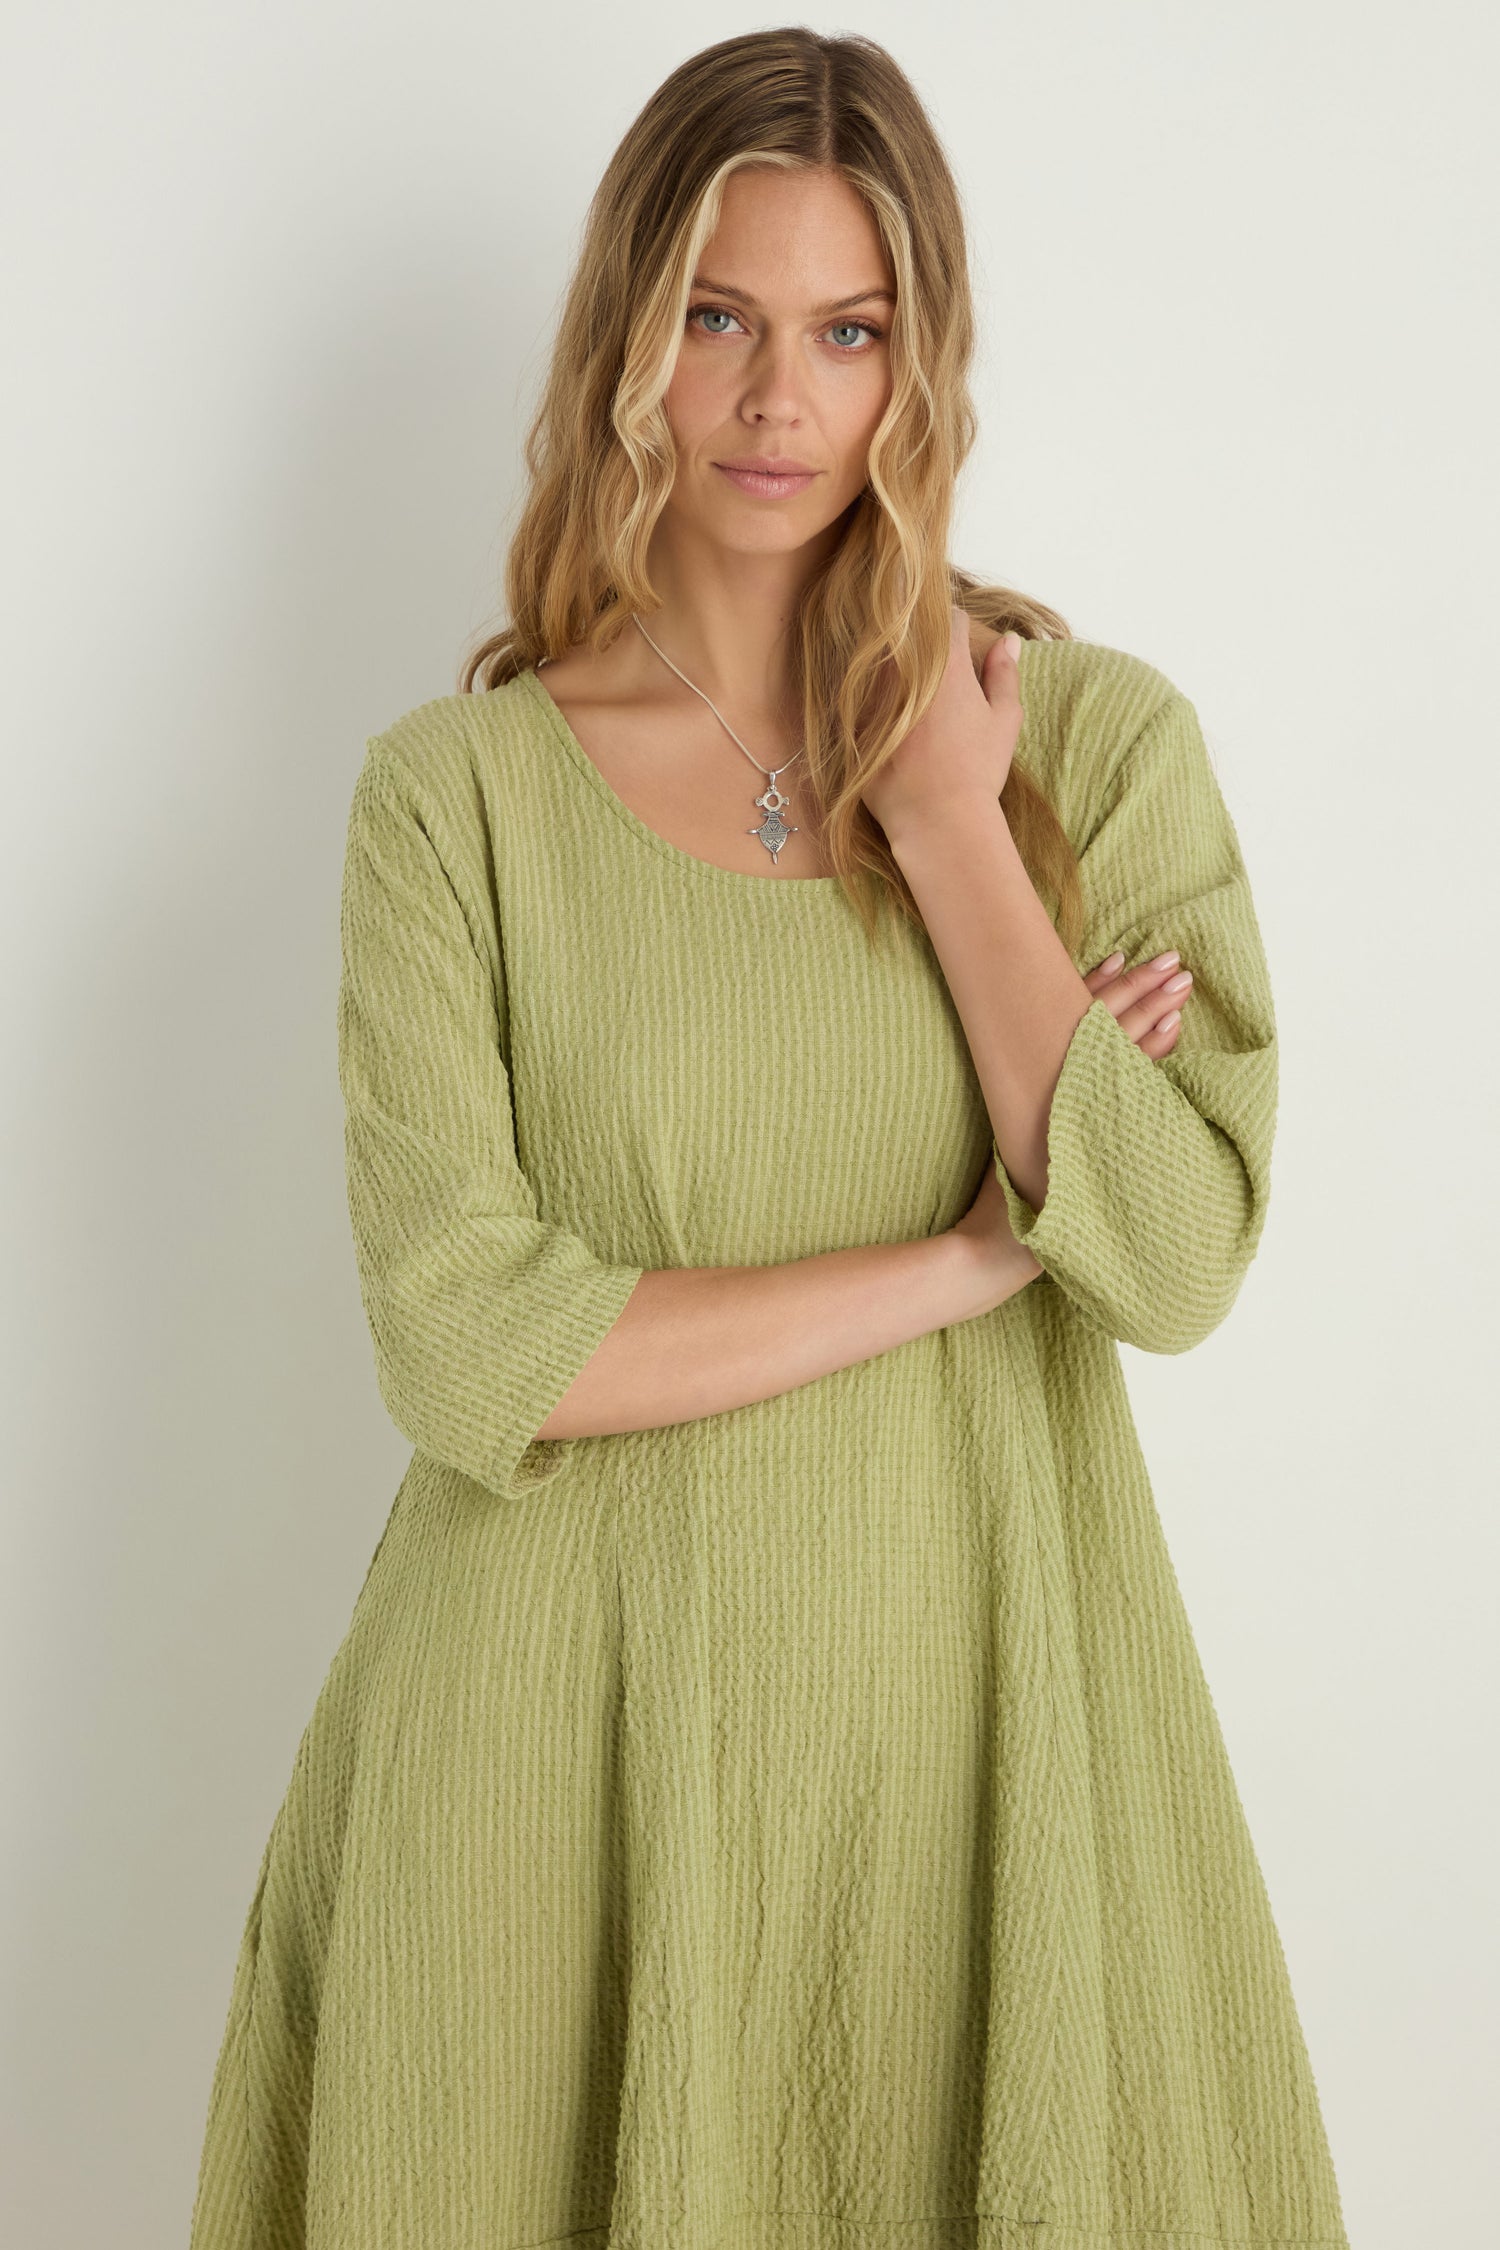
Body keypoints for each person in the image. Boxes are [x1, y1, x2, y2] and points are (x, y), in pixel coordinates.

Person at [189, 28, 1349, 2250]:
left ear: (924, 364)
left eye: (847, 331)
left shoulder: (1087, 755)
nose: (772, 398)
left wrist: (946, 829)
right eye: (718, 318)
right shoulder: (458, 802)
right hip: (545, 1776)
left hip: (976, 1766)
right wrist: (971, 1257)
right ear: (631, 333)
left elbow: (1181, 1258)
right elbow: (470, 1354)